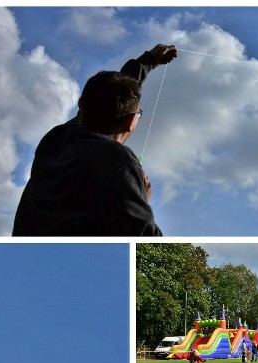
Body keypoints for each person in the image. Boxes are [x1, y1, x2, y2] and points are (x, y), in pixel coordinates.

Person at [12, 44, 176, 236]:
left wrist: (147, 61)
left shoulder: (57, 138)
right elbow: (145, 237)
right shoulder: (119, 162)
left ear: (82, 105)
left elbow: (107, 96)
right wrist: (142, 199)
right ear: (131, 122)